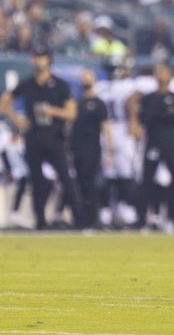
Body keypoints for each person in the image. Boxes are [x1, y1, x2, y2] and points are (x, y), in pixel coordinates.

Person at [0, 45, 83, 230]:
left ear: (49, 60)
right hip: (33, 136)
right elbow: (4, 102)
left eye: (42, 57)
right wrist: (16, 119)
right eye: (36, 57)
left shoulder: (59, 85)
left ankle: (80, 220)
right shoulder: (28, 84)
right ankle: (41, 222)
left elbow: (71, 113)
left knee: (66, 178)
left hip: (54, 137)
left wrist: (53, 111)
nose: (38, 60)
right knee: (36, 180)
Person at [130, 60, 174, 232]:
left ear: (170, 73)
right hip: (153, 141)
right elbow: (145, 117)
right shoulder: (148, 98)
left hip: (171, 142)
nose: (159, 74)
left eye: (163, 71)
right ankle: (141, 219)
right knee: (147, 181)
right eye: (157, 71)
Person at [94, 54, 137, 227]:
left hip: (119, 129)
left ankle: (121, 207)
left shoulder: (106, 87)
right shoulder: (107, 87)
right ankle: (110, 209)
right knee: (110, 173)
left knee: (123, 172)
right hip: (110, 129)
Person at [71, 68, 112, 231]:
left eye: (89, 76)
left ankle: (94, 219)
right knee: (79, 184)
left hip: (92, 148)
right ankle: (82, 219)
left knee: (91, 184)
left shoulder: (99, 104)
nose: (86, 80)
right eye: (84, 77)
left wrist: (109, 150)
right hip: (77, 147)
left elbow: (106, 127)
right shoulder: (76, 103)